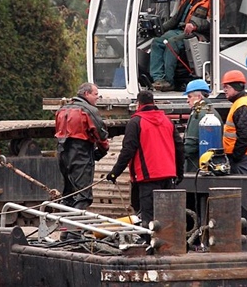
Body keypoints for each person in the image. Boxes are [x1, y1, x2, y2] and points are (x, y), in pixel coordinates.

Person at [107, 90, 184, 242]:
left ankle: (149, 246)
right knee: (168, 214)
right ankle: (170, 245)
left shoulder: (135, 122)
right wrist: (179, 172)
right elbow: (179, 147)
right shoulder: (168, 121)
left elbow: (128, 150)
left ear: (138, 104)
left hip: (147, 177)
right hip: (168, 175)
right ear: (154, 102)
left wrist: (114, 173)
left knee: (148, 216)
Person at [150, 0, 213, 92]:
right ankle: (158, 78)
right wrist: (160, 28)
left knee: (171, 43)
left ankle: (169, 81)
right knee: (157, 42)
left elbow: (212, 22)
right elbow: (176, 18)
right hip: (181, 30)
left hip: (198, 34)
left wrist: (195, 25)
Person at [55, 83, 110, 212]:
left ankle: (65, 230)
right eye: (96, 94)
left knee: (68, 195)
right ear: (86, 94)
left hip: (62, 152)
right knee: (84, 196)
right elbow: (100, 133)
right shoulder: (88, 110)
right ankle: (74, 232)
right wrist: (102, 151)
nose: (98, 98)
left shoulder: (62, 110)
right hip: (80, 153)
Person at [221, 70, 247, 175]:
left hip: (243, 158)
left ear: (236, 87)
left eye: (227, 87)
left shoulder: (243, 105)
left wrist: (235, 157)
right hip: (245, 156)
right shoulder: (242, 103)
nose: (224, 90)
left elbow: (244, 136)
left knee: (242, 188)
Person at [183, 79, 223, 172]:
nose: (187, 100)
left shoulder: (198, 114)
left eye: (189, 96)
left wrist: (177, 155)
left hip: (196, 165)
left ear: (198, 97)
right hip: (212, 163)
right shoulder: (214, 112)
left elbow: (191, 144)